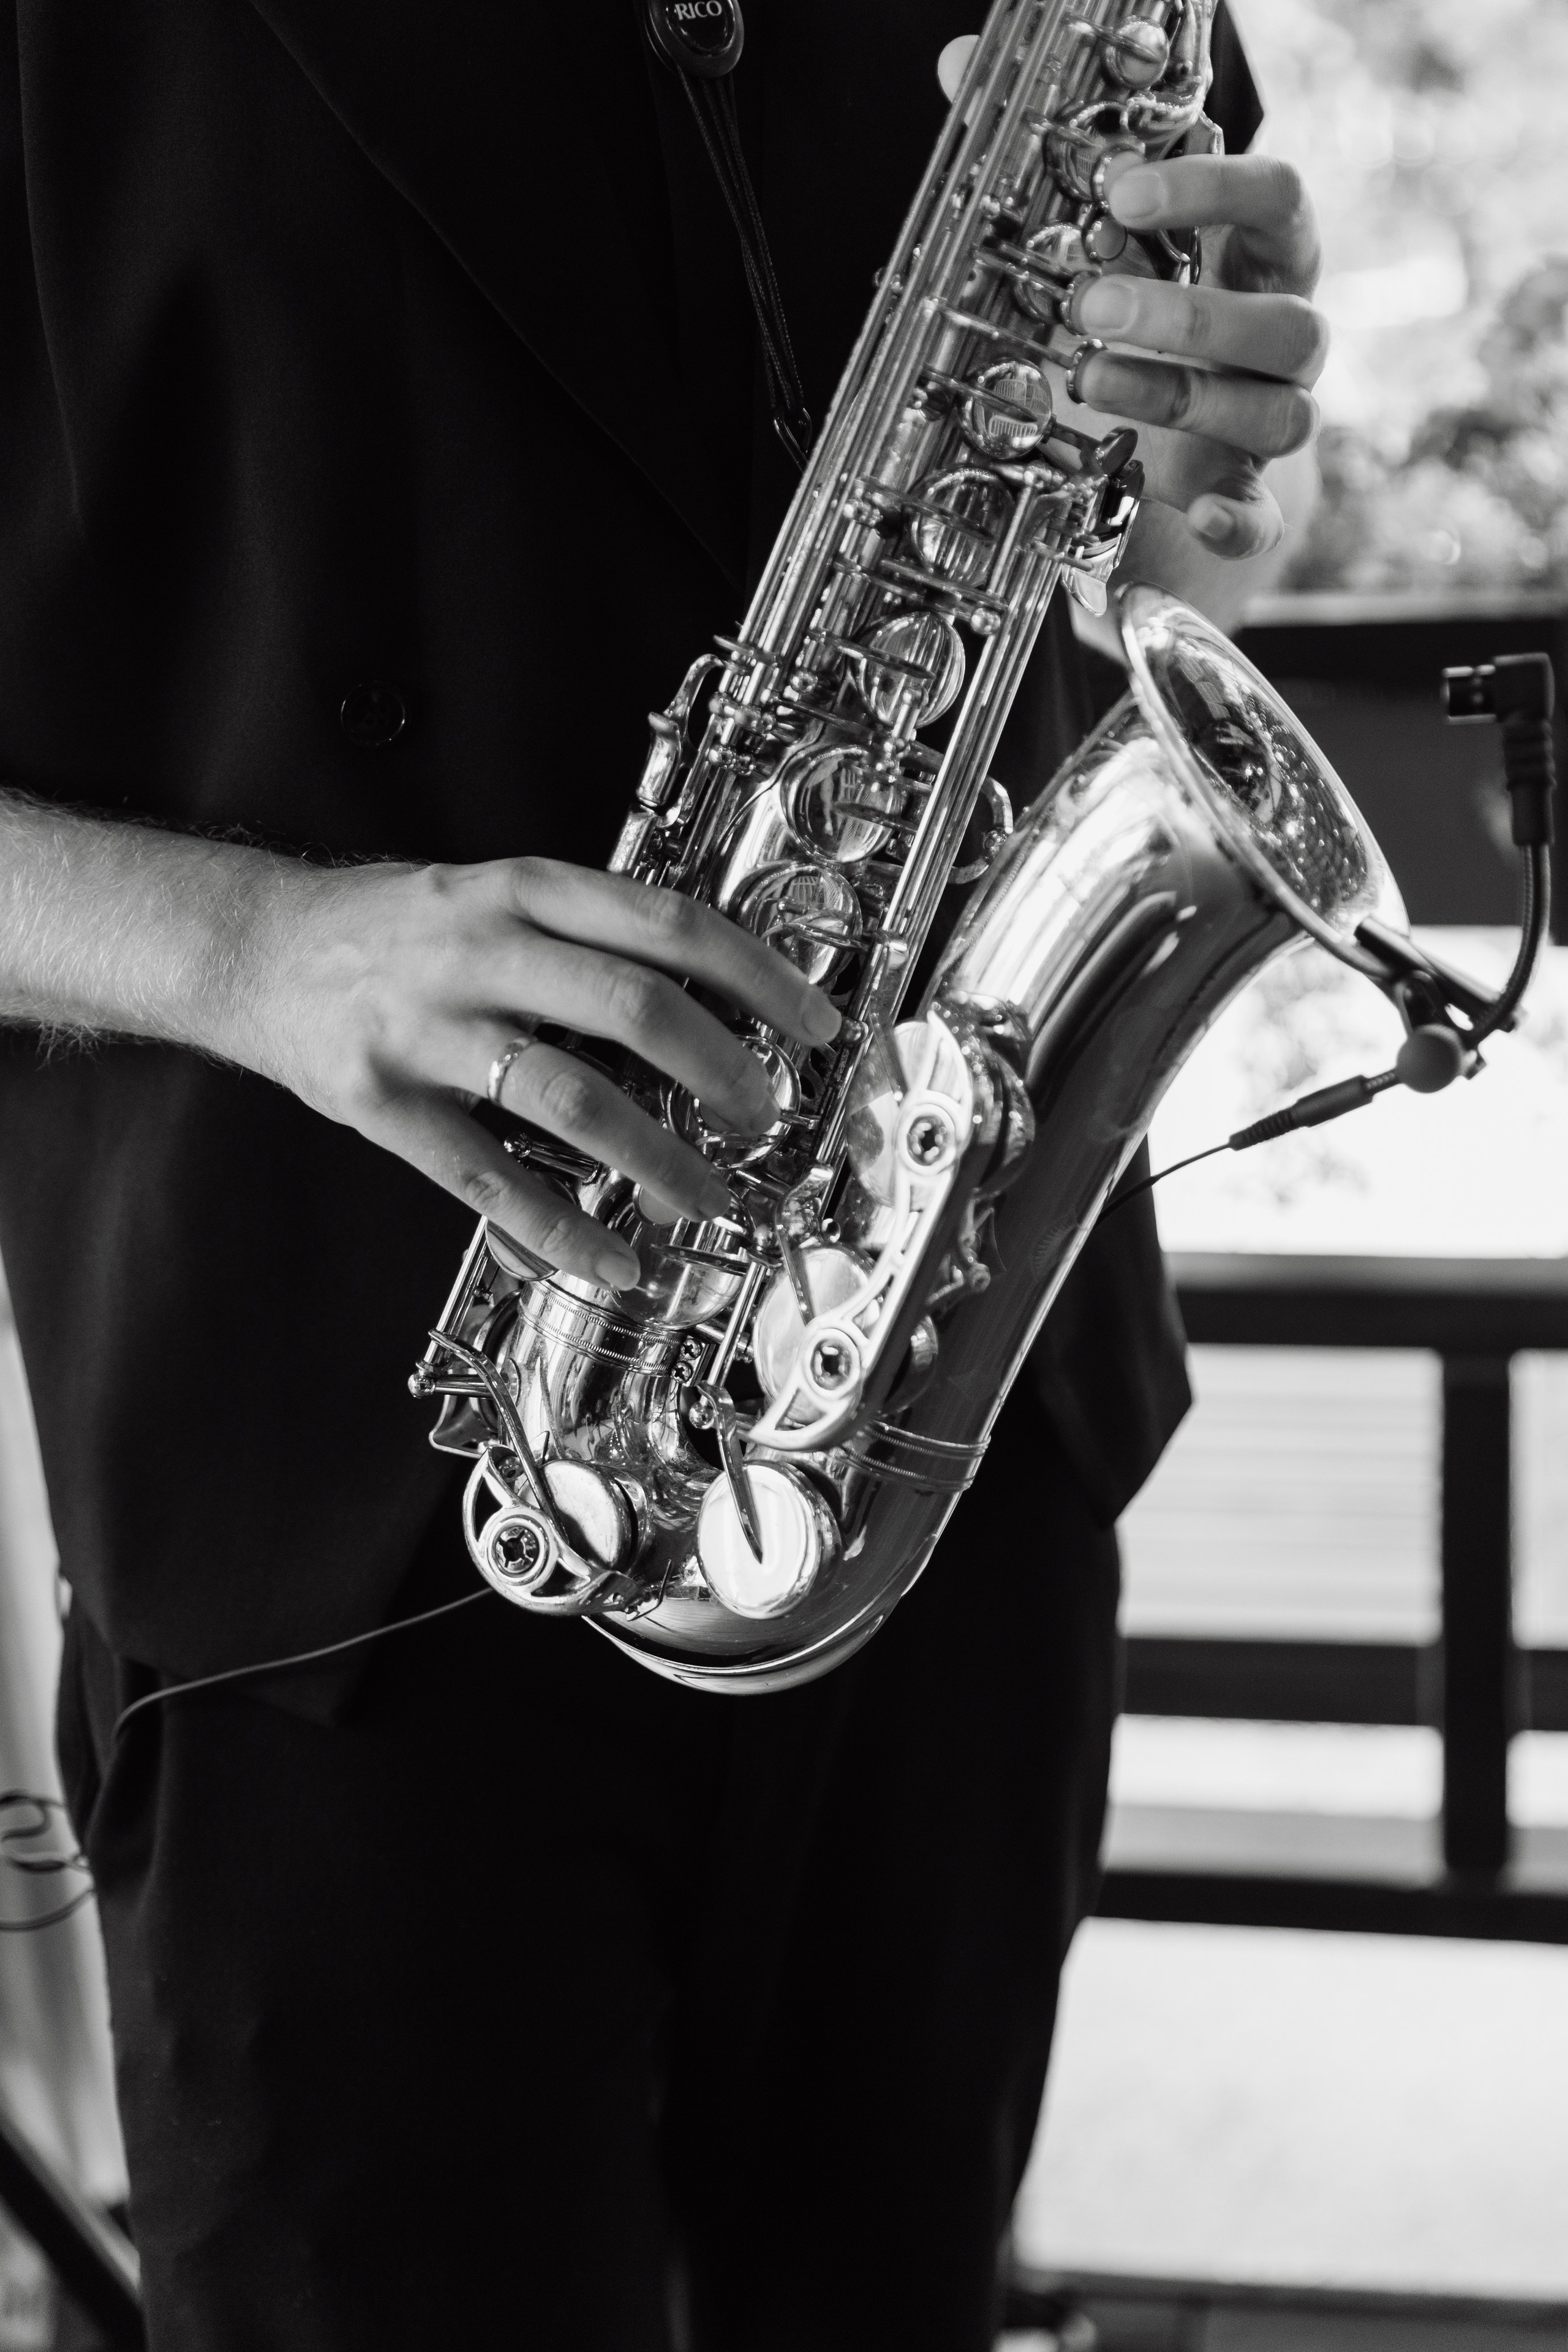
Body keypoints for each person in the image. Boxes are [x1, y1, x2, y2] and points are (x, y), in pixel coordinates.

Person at [0, 5, 1326, 2345]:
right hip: (344, 1505)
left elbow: (1162, 510)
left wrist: (1196, 443)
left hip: (948, 1413)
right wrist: (246, 948)